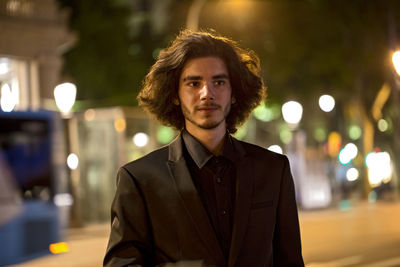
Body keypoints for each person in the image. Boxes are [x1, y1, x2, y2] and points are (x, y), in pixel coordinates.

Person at [104, 29, 304, 267]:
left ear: (234, 93)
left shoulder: (273, 170)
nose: (207, 93)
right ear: (175, 94)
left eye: (218, 82)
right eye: (193, 83)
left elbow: (290, 261)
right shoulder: (139, 179)